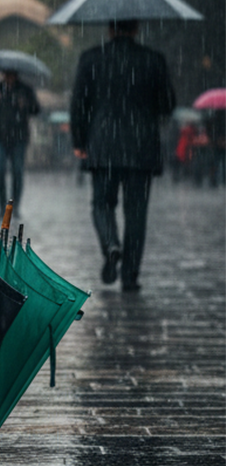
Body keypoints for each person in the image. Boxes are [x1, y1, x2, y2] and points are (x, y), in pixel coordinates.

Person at [71, 19, 175, 292]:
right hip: (141, 149)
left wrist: (79, 140)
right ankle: (130, 277)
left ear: (110, 30)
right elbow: (167, 105)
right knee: (136, 214)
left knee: (102, 204)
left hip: (103, 145)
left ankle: (110, 244)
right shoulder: (153, 60)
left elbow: (79, 103)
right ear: (137, 28)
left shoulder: (92, 58)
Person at [0, 70, 40, 212]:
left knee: (17, 171)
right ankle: (2, 206)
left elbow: (36, 109)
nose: (8, 76)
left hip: (19, 137)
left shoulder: (25, 90)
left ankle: (14, 206)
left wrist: (25, 104)